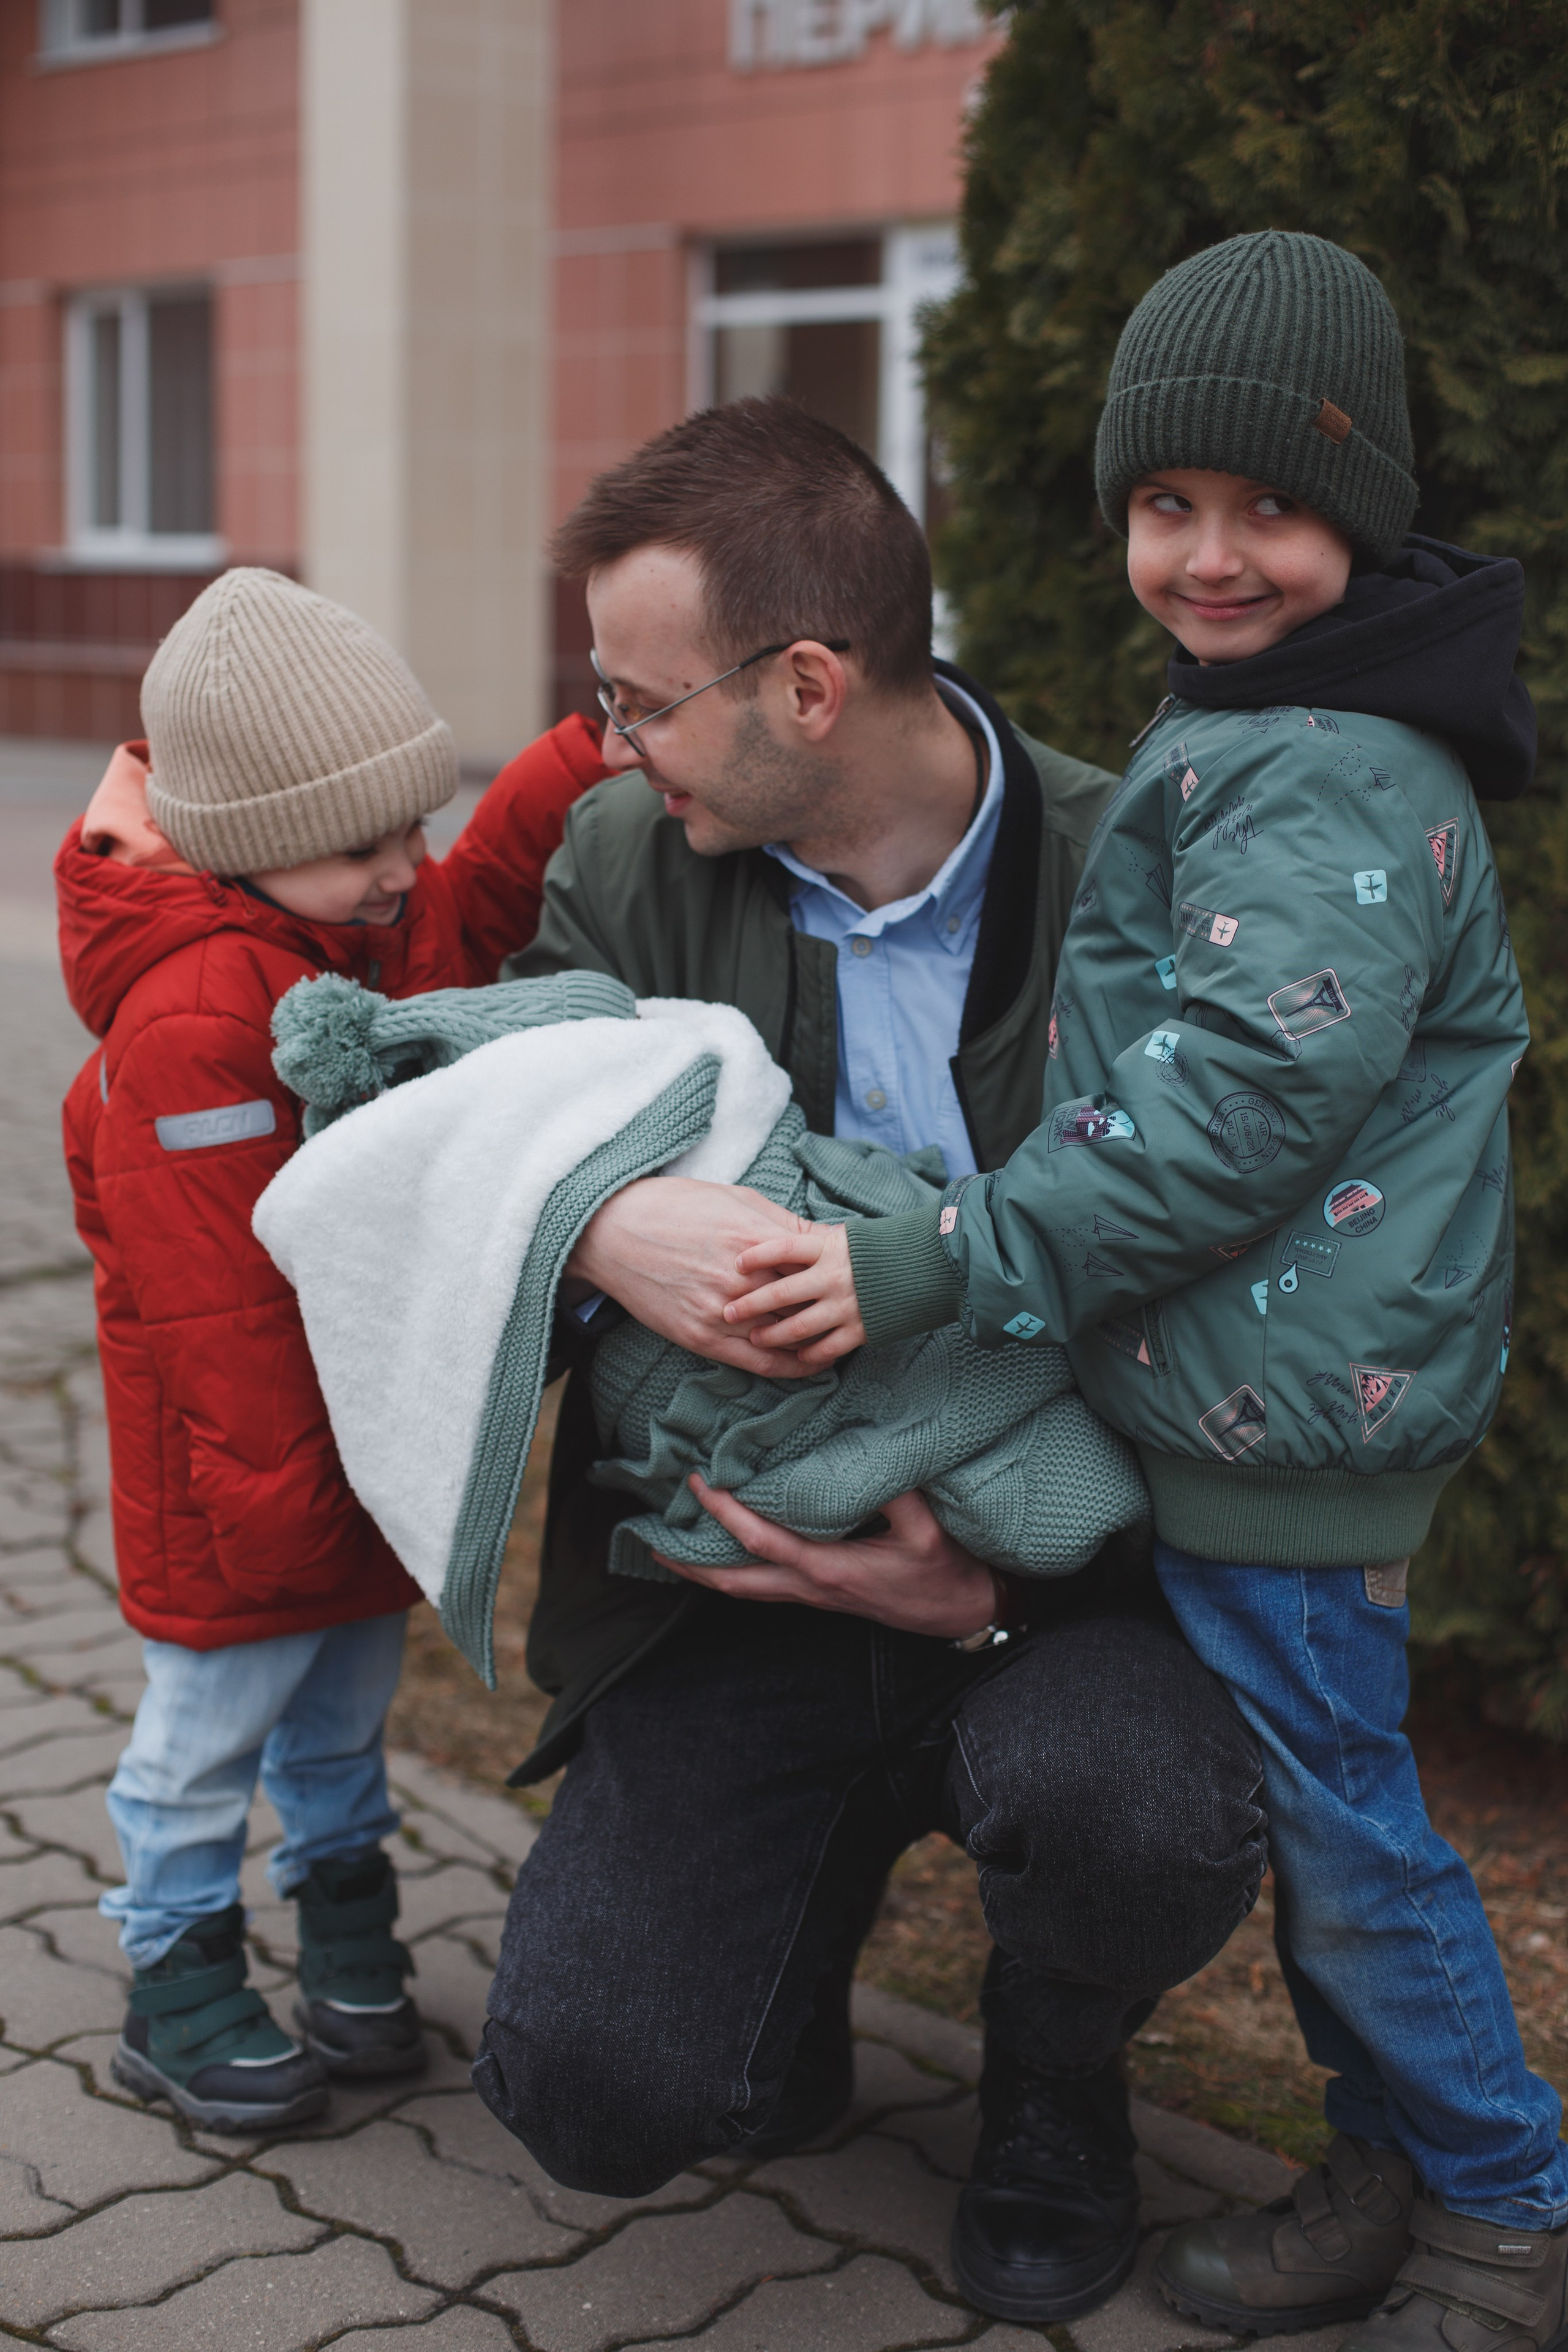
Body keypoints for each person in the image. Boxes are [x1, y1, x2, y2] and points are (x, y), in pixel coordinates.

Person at [707, 238, 1566, 2352]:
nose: (1211, 553)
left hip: (1296, 1413)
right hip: (1251, 1390)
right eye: (1166, 504)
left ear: (1359, 515)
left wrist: (944, 1259)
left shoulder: (1338, 765)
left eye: (1269, 504)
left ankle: (1509, 2205)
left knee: (1349, 1840)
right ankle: (1389, 2167)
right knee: (1313, 1817)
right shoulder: (1266, 724)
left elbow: (1242, 1105)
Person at [476, 396, 1268, 2328]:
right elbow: (478, 1140)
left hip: (1070, 1574)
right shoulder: (621, 857)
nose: (608, 740)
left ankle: (1057, 2075)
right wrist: (593, 1220)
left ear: (808, 684)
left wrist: (989, 1592)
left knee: (1141, 1819)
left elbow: (1250, 1295)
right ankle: (787, 1968)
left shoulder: (1144, 874)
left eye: (638, 697)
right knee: (598, 2095)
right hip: (746, 1571)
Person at [56, 567, 605, 2133]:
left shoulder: (348, 931)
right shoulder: (194, 1024)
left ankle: (346, 1928)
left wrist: (571, 759)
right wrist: (292, 1508)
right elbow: (215, 1312)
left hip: (347, 1456)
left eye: (410, 824)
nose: (401, 866)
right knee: (207, 1736)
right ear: (241, 840)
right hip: (240, 1482)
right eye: (364, 840)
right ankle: (172, 1969)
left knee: (342, 1717)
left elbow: (471, 901)